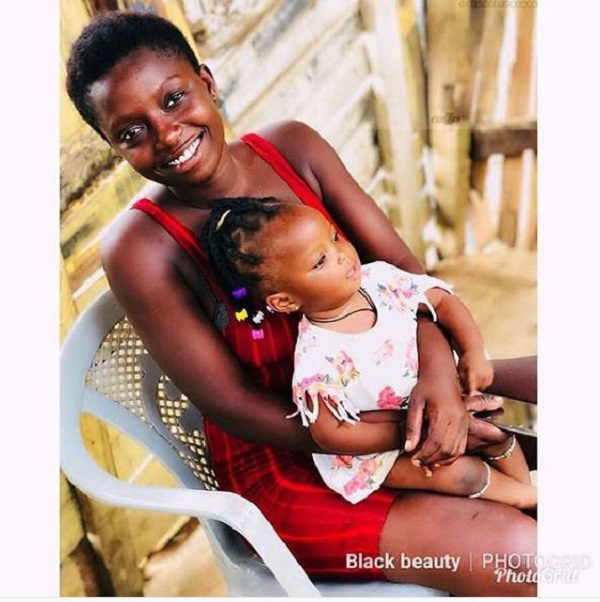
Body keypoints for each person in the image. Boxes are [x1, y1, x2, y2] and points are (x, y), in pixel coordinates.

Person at [66, 11, 536, 595]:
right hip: (301, 456)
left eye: (173, 99)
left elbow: (405, 278)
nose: (165, 135)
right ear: (112, 147)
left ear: (207, 82)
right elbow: (233, 406)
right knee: (524, 555)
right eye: (130, 132)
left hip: (398, 378)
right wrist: (406, 431)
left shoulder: (293, 148)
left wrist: (439, 380)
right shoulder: (141, 248)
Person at [201, 197, 536, 509]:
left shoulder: (380, 280)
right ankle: (530, 501)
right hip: (385, 453)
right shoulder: (319, 358)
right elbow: (331, 432)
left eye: (334, 238)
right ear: (286, 301)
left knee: (496, 436)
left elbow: (442, 301)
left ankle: (530, 500)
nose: (342, 255)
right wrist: (412, 433)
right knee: (462, 473)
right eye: (321, 261)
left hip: (442, 404)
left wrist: (472, 351)